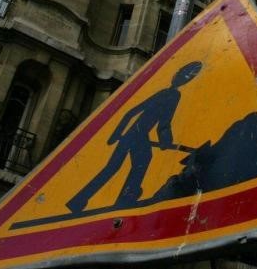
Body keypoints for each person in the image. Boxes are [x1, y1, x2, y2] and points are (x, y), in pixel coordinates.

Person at [66, 61, 202, 213]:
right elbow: (163, 123)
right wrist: (165, 141)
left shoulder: (164, 92)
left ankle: (78, 201)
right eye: (184, 74)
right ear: (177, 74)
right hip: (139, 135)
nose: (185, 78)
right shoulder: (173, 95)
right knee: (137, 163)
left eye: (189, 76)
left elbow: (132, 113)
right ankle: (125, 199)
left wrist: (117, 133)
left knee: (112, 168)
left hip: (132, 134)